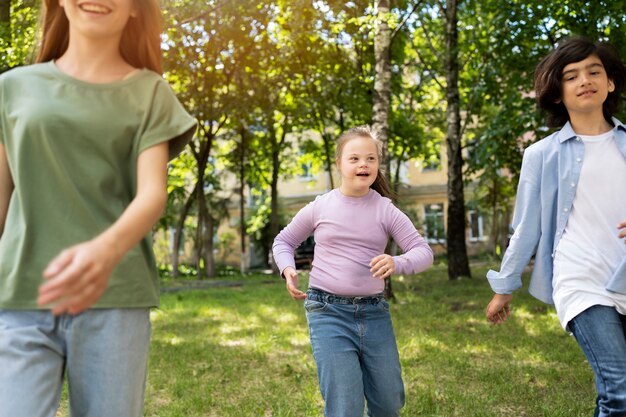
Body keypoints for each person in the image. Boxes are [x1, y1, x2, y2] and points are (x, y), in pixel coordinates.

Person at [0, 0, 196, 416]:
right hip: (19, 291)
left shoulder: (150, 92)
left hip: (116, 295)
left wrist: (103, 251)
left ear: (135, 10)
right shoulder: (12, 88)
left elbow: (152, 195)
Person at [485, 37, 626, 417]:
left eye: (595, 71)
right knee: (621, 386)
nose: (585, 80)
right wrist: (505, 286)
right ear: (558, 92)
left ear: (610, 83)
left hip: (624, 275)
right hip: (580, 280)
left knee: (616, 392)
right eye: (571, 75)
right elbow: (525, 228)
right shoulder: (541, 154)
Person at [272, 126, 434, 417]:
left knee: (388, 403)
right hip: (327, 311)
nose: (363, 164)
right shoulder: (321, 206)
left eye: (371, 159)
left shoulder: (386, 209)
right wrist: (287, 268)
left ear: (377, 165)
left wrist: (398, 263)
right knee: (345, 406)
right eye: (355, 158)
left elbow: (424, 253)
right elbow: (284, 241)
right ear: (339, 164)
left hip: (374, 313)